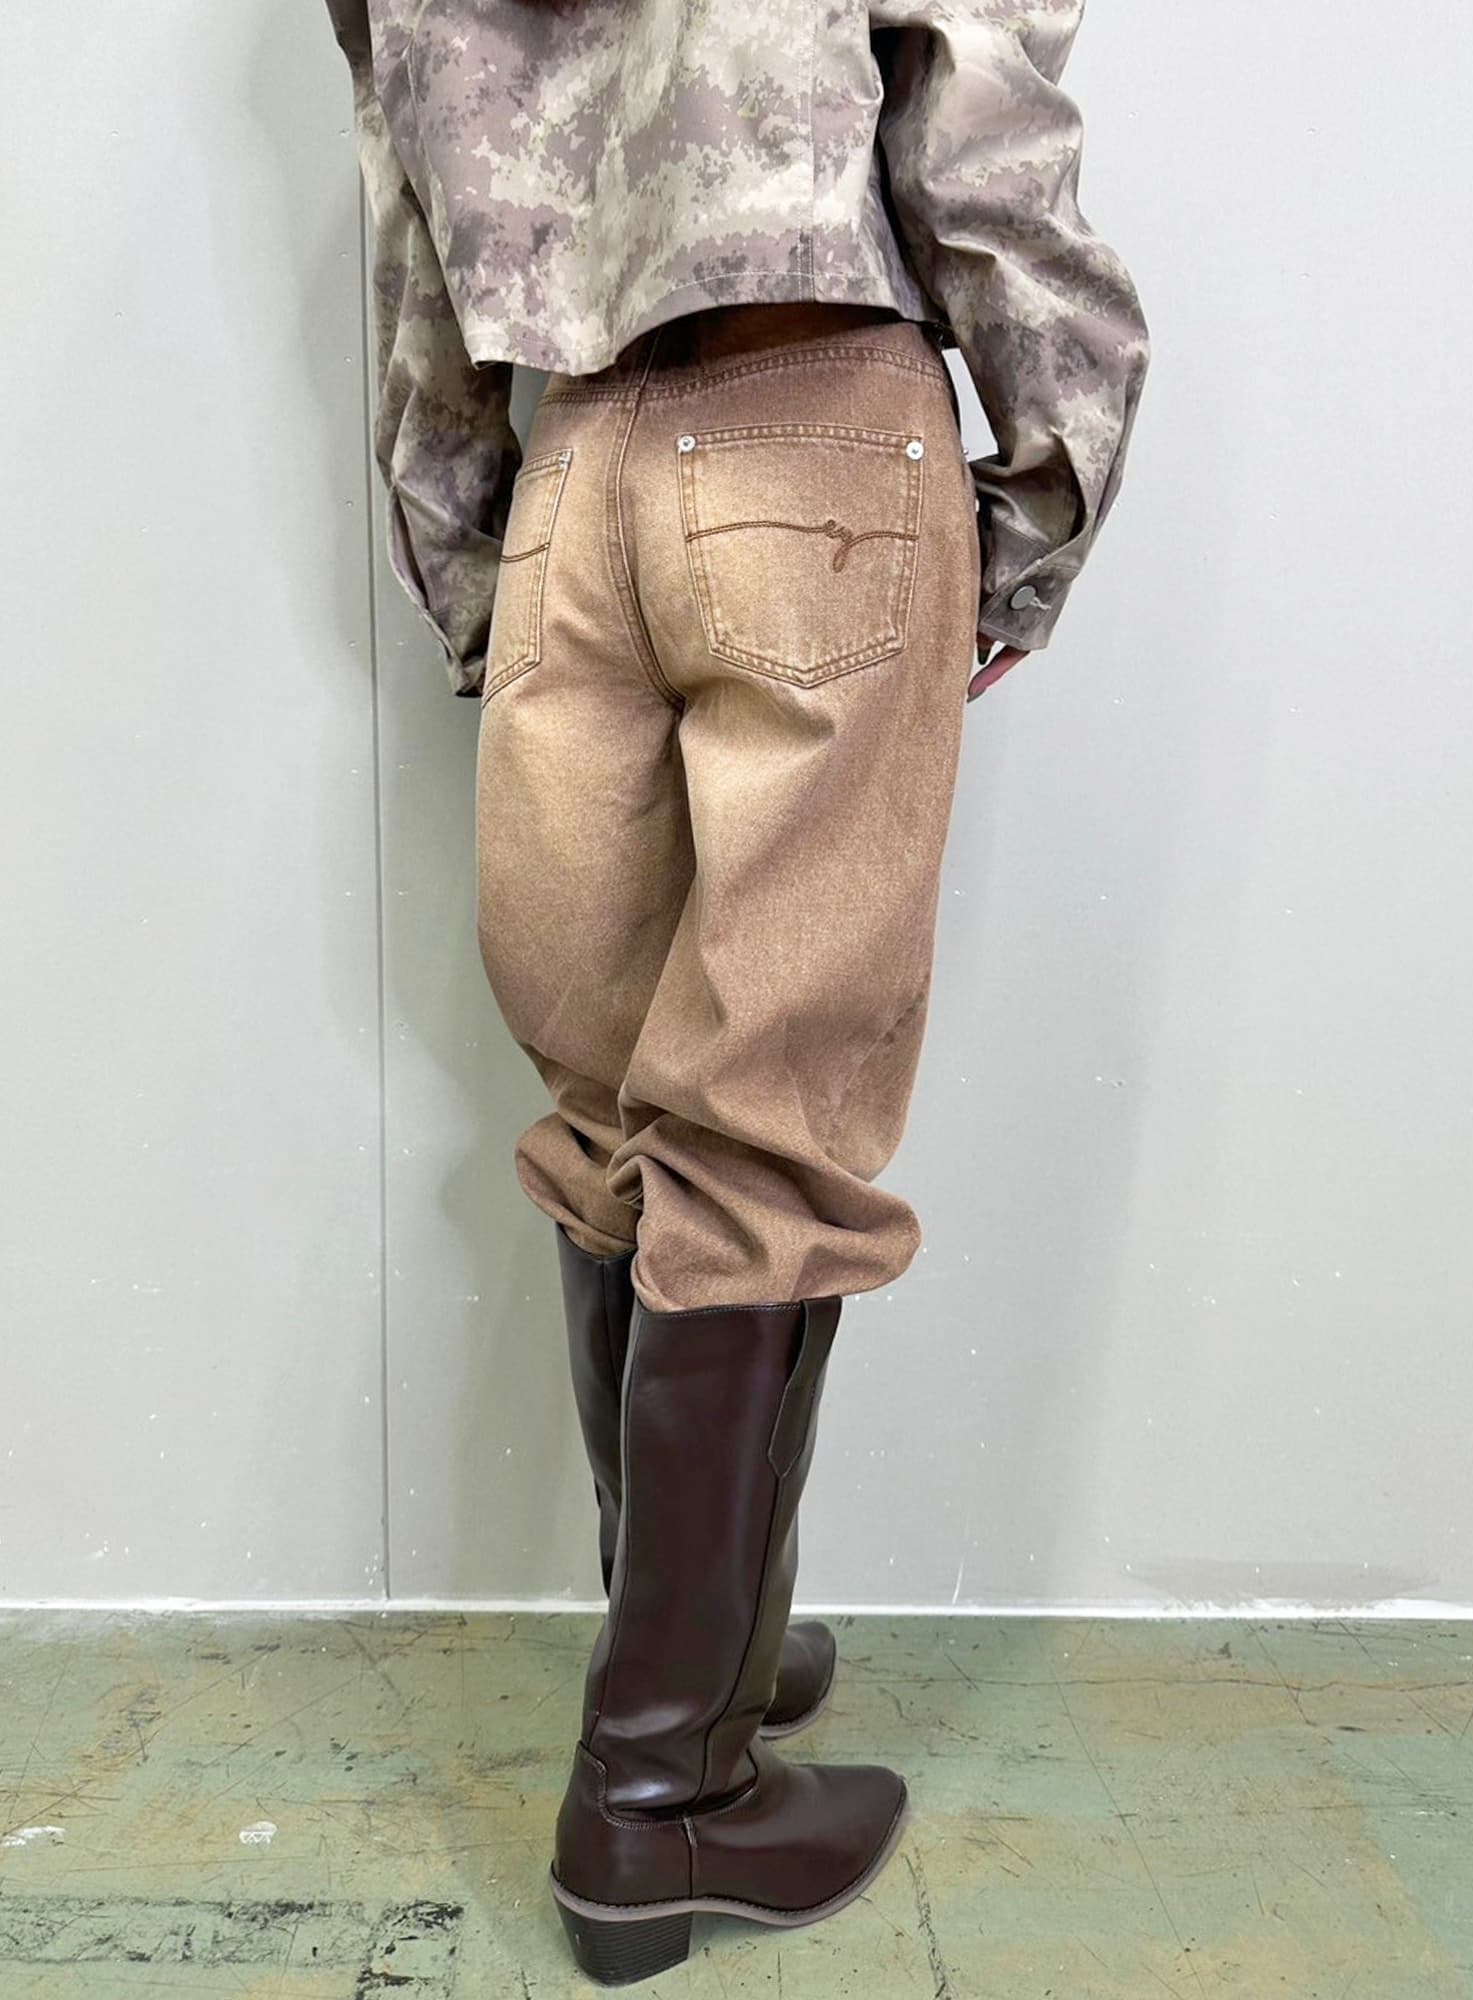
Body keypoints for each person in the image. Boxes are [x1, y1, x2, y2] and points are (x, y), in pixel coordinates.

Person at [324, 1, 1149, 1982]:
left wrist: (471, 543)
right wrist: (1043, 493)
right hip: (815, 425)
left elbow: (410, 197)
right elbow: (978, 113)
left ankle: (707, 1642)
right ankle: (659, 1793)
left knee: (617, 1117)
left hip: (574, 466)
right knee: (763, 1131)